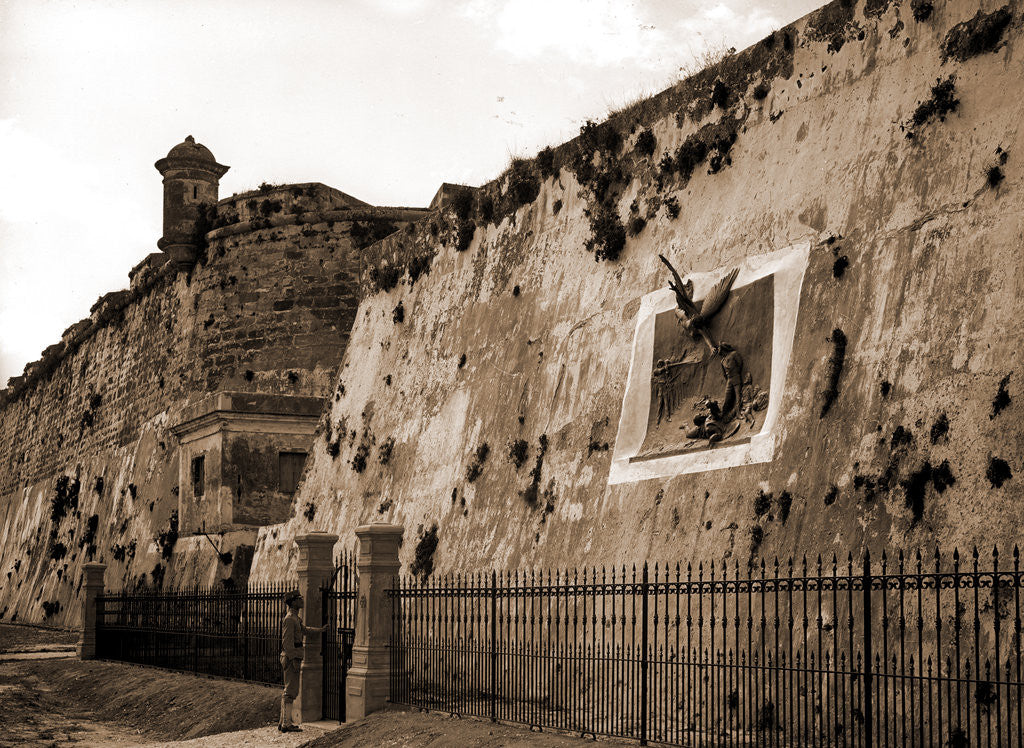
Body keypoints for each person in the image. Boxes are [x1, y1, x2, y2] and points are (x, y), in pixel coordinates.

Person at [279, 590, 327, 732]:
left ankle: (283, 722)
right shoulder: (289, 619)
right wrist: (293, 658)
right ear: (293, 602)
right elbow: (287, 643)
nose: (302, 600)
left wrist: (320, 630)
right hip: (291, 657)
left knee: (290, 690)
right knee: (290, 690)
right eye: (299, 598)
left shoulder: (294, 618)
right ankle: (286, 724)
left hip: (293, 656)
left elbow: (304, 630)